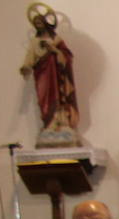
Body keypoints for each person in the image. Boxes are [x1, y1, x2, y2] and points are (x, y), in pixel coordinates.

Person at [19, 2, 79, 143]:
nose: (39, 24)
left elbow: (67, 57)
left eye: (40, 21)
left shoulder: (56, 40)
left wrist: (53, 49)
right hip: (43, 75)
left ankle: (62, 123)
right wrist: (26, 67)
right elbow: (29, 58)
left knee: (59, 98)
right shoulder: (35, 42)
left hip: (57, 77)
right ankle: (49, 125)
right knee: (45, 100)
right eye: (36, 23)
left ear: (46, 22)